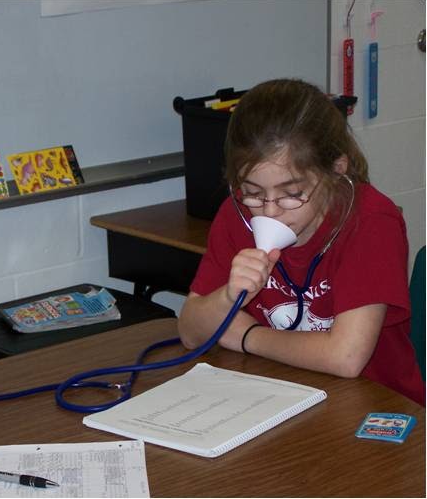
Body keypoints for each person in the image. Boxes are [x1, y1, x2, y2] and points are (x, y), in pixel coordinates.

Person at [178, 78, 425, 406]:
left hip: (377, 407)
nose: (269, 210)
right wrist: (227, 297)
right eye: (252, 192)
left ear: (336, 170)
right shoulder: (236, 214)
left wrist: (247, 336)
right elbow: (190, 332)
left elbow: (346, 357)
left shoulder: (370, 222)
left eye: (292, 193)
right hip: (286, 395)